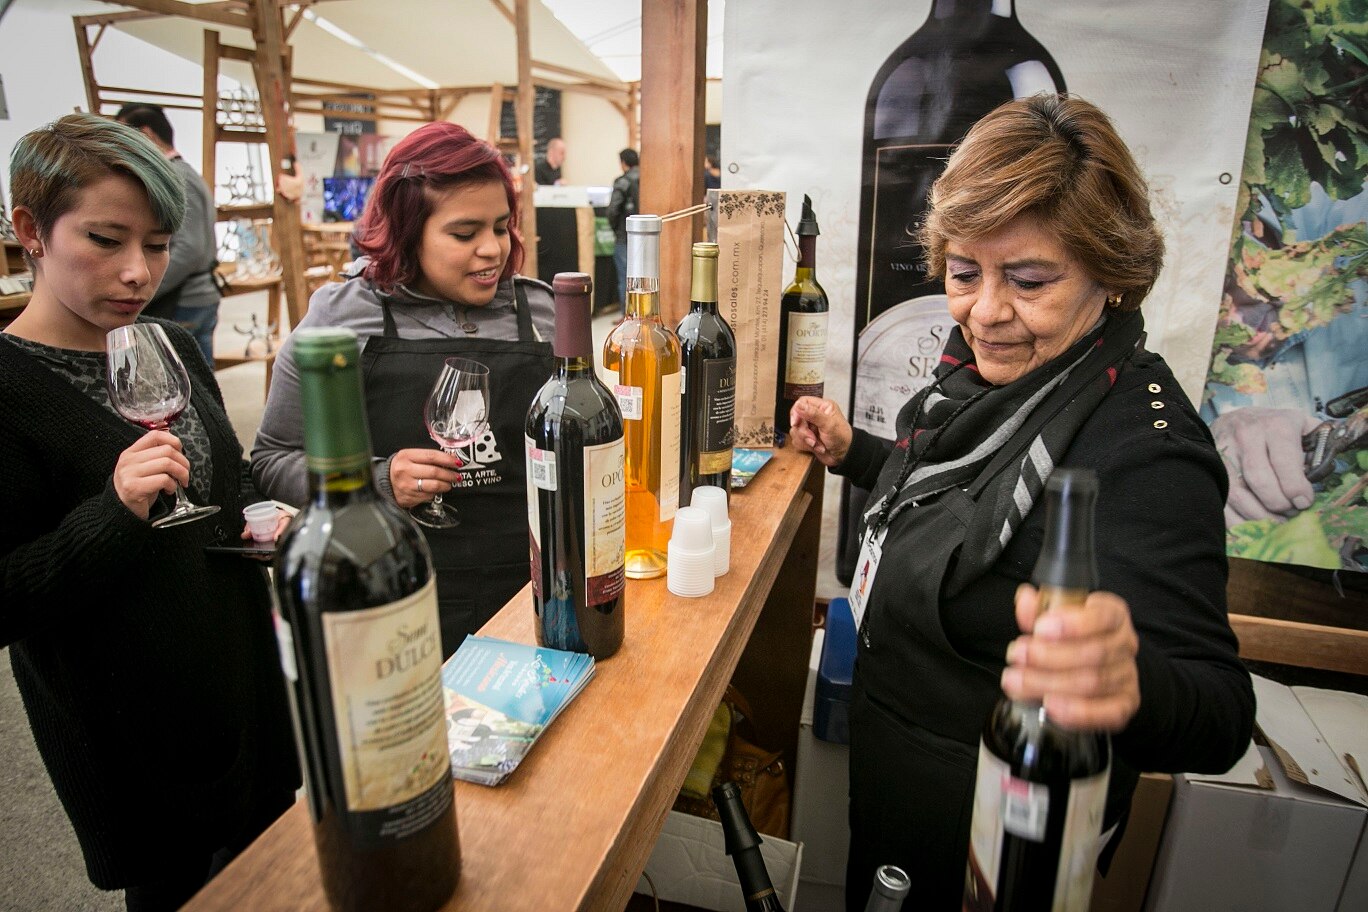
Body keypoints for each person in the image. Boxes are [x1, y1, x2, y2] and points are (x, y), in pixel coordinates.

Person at [788, 95, 1255, 910]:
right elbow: (954, 483)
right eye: (964, 273)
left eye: (1030, 280)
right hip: (898, 778)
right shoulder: (992, 367)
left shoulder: (1146, 453)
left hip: (994, 852)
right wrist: (854, 454)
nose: (985, 311)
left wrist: (1130, 680)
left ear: (1111, 275)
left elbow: (1220, 714)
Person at [0, 113, 297, 912]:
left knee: (278, 880)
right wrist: (115, 511)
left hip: (242, 696)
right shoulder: (9, 390)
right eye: (105, 239)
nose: (138, 271)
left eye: (159, 245)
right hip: (129, 735)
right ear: (30, 229)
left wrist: (264, 525)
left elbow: (224, 497)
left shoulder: (170, 344)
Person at [252, 120, 555, 656]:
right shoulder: (341, 318)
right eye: (465, 234)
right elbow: (274, 459)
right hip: (398, 588)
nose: (493, 250)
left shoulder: (543, 313)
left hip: (534, 582)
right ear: (406, 229)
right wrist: (377, 479)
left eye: (502, 227)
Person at [114, 103, 221, 367]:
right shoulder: (183, 173)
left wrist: (145, 289)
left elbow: (190, 249)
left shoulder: (176, 176)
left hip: (186, 299)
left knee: (185, 387)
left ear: (147, 135)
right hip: (192, 296)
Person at [607, 147, 640, 306]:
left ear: (623, 163)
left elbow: (613, 210)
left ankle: (625, 315)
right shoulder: (647, 179)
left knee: (625, 277)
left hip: (624, 235)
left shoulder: (622, 181)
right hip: (646, 235)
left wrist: (616, 229)